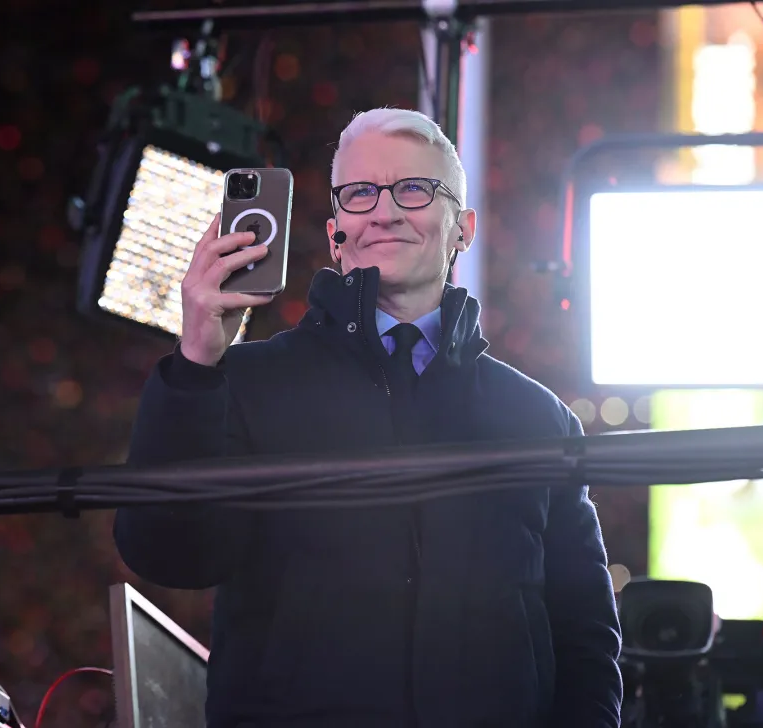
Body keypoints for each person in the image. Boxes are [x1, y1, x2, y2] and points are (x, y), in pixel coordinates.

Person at [114, 107, 622, 728]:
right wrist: (194, 363)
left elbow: (586, 637)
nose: (385, 212)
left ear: (462, 227)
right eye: (359, 194)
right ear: (335, 234)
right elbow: (169, 555)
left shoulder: (539, 418)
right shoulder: (243, 384)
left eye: (414, 188)